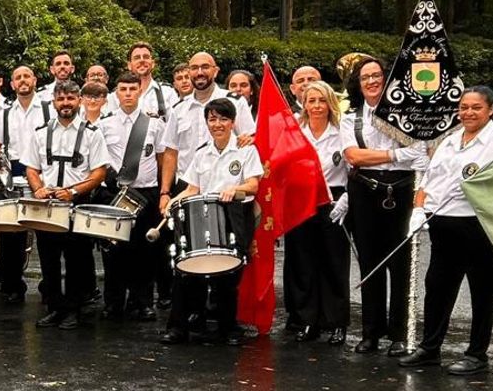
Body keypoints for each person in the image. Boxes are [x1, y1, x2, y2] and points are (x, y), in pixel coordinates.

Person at [400, 86, 493, 376]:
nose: (468, 113)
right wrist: (418, 208)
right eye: (464, 107)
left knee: (483, 291)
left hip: (480, 226)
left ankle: (477, 354)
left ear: (491, 109)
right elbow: (429, 181)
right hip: (443, 225)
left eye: (476, 107)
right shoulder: (450, 141)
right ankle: (430, 348)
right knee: (437, 287)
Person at [340, 57, 427, 356]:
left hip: (401, 191)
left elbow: (421, 149)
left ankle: (399, 334)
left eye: (377, 75)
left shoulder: (408, 114)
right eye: (365, 77)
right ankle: (371, 332)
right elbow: (354, 156)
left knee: (401, 264)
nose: (372, 81)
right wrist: (396, 154)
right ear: (358, 84)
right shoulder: (351, 118)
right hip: (365, 191)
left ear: (387, 79)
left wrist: (407, 154)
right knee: (369, 263)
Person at [161, 98, 260, 346]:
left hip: (235, 215)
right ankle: (179, 328)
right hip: (202, 216)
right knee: (186, 270)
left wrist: (235, 188)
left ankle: (229, 328)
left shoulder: (246, 150)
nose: (218, 124)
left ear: (233, 123)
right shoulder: (201, 153)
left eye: (223, 119)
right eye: (212, 119)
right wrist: (172, 201)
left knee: (227, 275)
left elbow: (253, 185)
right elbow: (192, 189)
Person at [23, 80, 108, 330]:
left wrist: (73, 192)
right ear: (54, 102)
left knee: (76, 260)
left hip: (76, 203)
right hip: (47, 204)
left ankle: (72, 310)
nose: (66, 103)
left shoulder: (92, 134)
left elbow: (99, 173)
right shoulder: (40, 133)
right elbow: (31, 168)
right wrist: (38, 189)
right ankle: (54, 308)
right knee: (48, 260)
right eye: (61, 99)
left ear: (79, 101)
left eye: (70, 98)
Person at [99, 73, 170, 322]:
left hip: (146, 192)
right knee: (114, 250)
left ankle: (142, 302)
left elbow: (162, 159)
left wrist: (163, 192)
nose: (128, 93)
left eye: (132, 89)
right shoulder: (105, 123)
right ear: (116, 92)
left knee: (145, 251)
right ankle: (113, 302)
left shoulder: (154, 124)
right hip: (115, 192)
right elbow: (99, 158)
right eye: (123, 89)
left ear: (140, 91)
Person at [283, 80, 349, 345]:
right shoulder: (296, 133)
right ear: (304, 105)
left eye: (322, 100)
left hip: (333, 200)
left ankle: (336, 322)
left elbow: (353, 168)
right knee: (304, 263)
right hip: (301, 201)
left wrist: (347, 198)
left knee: (334, 263)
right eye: (312, 101)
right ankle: (308, 320)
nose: (317, 106)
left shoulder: (341, 131)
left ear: (330, 103)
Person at [0, 64, 51, 303]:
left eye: (27, 76)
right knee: (11, 237)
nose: (23, 80)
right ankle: (13, 287)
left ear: (34, 80)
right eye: (18, 77)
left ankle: (49, 288)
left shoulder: (48, 109)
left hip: (43, 177)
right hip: (12, 179)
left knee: (46, 237)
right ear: (12, 84)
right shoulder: (4, 114)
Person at [125, 42, 176, 119]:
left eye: (146, 57)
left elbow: (178, 123)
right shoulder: (116, 96)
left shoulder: (168, 93)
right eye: (137, 58)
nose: (142, 60)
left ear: (153, 63)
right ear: (129, 65)